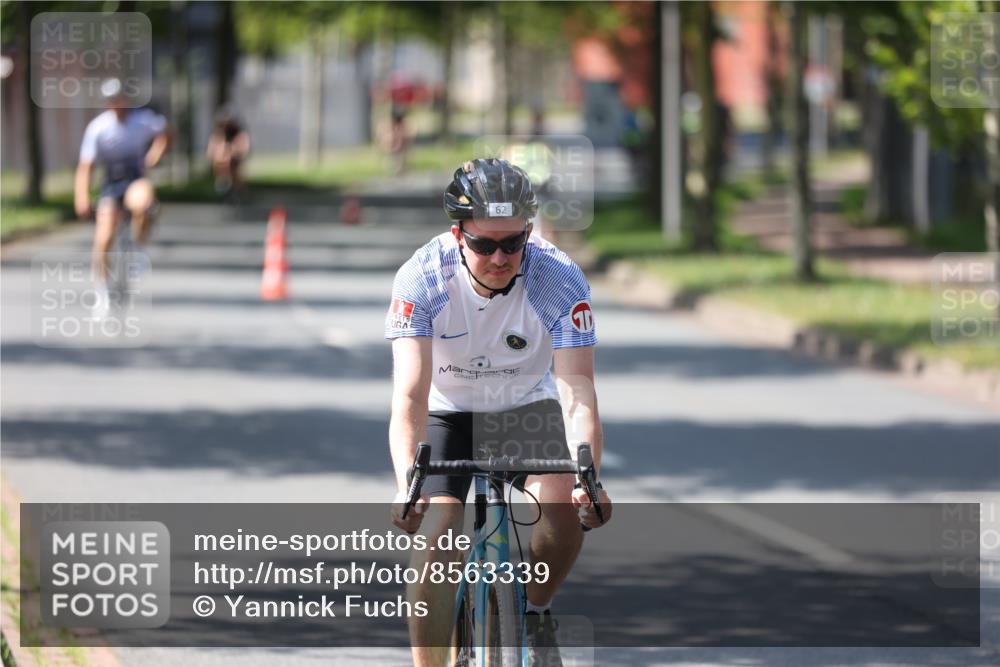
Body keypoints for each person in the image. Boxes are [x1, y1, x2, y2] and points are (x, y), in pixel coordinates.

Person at [386, 158, 613, 667]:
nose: (499, 257)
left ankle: (535, 613)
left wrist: (588, 479)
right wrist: (408, 484)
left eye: (513, 243)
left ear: (528, 234)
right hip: (447, 411)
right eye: (484, 244)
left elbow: (577, 387)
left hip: (523, 407)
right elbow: (410, 395)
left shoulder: (557, 277)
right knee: (436, 529)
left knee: (559, 501)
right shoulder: (422, 277)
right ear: (457, 233)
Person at [74, 78, 170, 318]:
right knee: (103, 237)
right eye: (111, 100)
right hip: (111, 184)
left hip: (135, 179)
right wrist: (82, 197)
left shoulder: (142, 120)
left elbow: (165, 133)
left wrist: (154, 155)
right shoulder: (98, 128)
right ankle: (102, 290)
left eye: (119, 99)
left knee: (144, 201)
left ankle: (138, 248)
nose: (116, 104)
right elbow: (85, 166)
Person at [206, 104, 250, 199]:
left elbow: (243, 150)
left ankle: (238, 192)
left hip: (234, 168)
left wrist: (231, 152)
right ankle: (223, 184)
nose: (226, 126)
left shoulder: (240, 135)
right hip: (221, 169)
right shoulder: (217, 136)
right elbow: (211, 152)